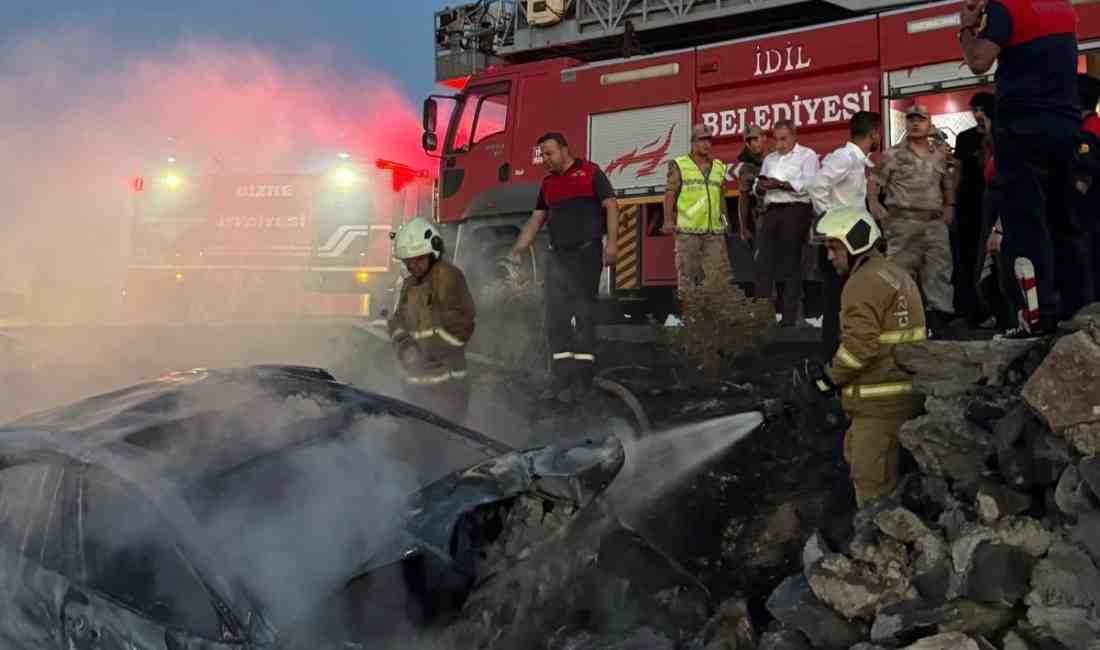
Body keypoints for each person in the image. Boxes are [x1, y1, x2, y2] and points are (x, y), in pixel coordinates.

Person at [959, 0, 1082, 335]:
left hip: (1023, 127)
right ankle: (1077, 305)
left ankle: (1036, 315)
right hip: (1066, 124)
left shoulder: (1008, 6)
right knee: (1063, 219)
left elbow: (978, 61)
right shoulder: (1064, 8)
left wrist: (967, 27)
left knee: (1024, 222)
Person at [807, 206, 926, 507]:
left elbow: (861, 346)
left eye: (834, 248)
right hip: (901, 398)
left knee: (872, 491)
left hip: (878, 408)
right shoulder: (894, 274)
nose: (830, 257)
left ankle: (879, 548)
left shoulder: (861, 283)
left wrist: (828, 378)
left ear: (855, 242)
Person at [510, 132, 619, 402]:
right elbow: (536, 222)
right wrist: (517, 249)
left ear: (564, 149)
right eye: (542, 155)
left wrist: (612, 244)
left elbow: (612, 206)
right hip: (558, 259)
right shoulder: (548, 185)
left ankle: (584, 381)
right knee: (555, 320)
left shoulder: (590, 173)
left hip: (586, 256)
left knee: (583, 316)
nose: (545, 160)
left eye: (549, 153)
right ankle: (561, 378)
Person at [869, 105, 957, 335]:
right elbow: (874, 181)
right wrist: (875, 205)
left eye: (921, 120)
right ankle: (901, 328)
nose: (915, 124)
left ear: (929, 124)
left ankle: (939, 327)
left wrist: (950, 206)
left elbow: (946, 182)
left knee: (939, 274)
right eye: (911, 119)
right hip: (903, 224)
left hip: (934, 224)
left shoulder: (939, 153)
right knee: (900, 276)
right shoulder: (893, 153)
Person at [388, 217, 476, 424]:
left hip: (447, 389)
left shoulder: (448, 278)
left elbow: (462, 326)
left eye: (418, 259)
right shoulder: (409, 285)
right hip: (414, 388)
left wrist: (427, 351)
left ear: (434, 251)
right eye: (408, 261)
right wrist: (405, 346)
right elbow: (397, 321)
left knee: (442, 444)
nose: (412, 266)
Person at [807, 111, 882, 358]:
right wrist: (833, 223)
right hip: (839, 244)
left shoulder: (857, 160)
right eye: (877, 133)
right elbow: (817, 186)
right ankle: (831, 358)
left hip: (850, 243)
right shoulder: (845, 157)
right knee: (835, 301)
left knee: (847, 300)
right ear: (873, 134)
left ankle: (844, 354)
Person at [753, 120, 820, 326]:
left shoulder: (807, 155)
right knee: (763, 262)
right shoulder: (770, 159)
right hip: (772, 211)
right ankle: (764, 317)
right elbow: (757, 187)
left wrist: (781, 184)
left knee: (792, 264)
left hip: (796, 210)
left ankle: (789, 318)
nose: (779, 144)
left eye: (784, 139)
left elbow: (810, 185)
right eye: (776, 139)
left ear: (794, 136)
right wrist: (761, 187)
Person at [662, 123, 732, 290]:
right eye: (702, 140)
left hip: (714, 233)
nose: (707, 144)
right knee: (688, 278)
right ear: (693, 142)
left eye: (709, 140)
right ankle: (691, 315)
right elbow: (670, 194)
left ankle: (713, 315)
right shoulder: (679, 165)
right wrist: (668, 220)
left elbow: (720, 198)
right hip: (688, 233)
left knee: (718, 278)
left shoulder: (719, 166)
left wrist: (726, 222)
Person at [952, 92, 996, 326]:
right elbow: (957, 173)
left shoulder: (1002, 134)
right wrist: (951, 203)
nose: (977, 114)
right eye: (974, 110)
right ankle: (971, 312)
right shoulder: (965, 138)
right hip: (968, 207)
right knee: (967, 260)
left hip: (995, 205)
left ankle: (997, 311)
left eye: (982, 109)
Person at [1073, 73, 1100, 300]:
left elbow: (1084, 175)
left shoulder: (1087, 131)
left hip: (1091, 214)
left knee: (1091, 267)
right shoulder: (1095, 125)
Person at [733, 124, 768, 248]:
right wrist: (743, 228)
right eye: (749, 141)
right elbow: (743, 199)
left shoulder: (778, 157)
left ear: (764, 138)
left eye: (756, 139)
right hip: (764, 215)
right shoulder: (747, 168)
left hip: (787, 211)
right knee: (764, 257)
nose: (753, 144)